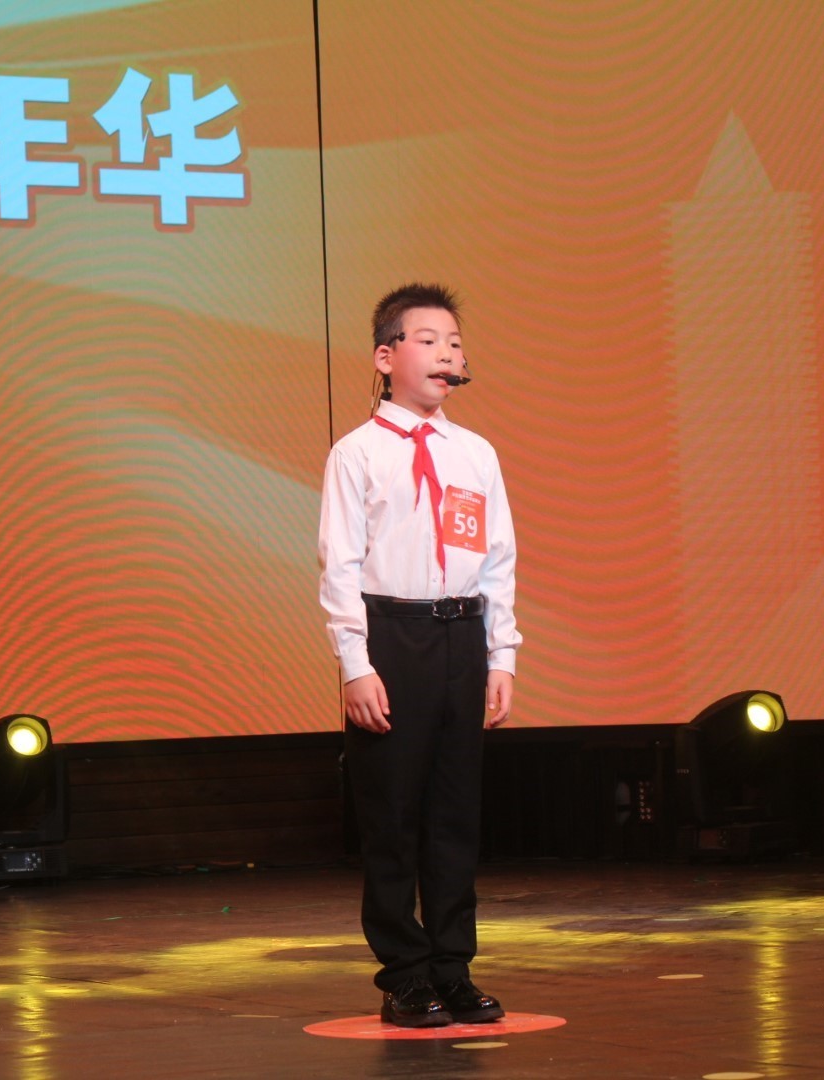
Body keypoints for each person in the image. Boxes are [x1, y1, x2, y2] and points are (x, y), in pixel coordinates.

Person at [318, 282, 521, 1028]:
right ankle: (404, 975)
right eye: (428, 340)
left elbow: (497, 561)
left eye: (455, 344)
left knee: (454, 814)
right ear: (386, 357)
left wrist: (501, 655)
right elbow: (340, 566)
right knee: (393, 814)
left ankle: (452, 967)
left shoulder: (476, 454)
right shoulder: (358, 454)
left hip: (462, 634)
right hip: (393, 635)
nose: (446, 354)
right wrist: (355, 663)